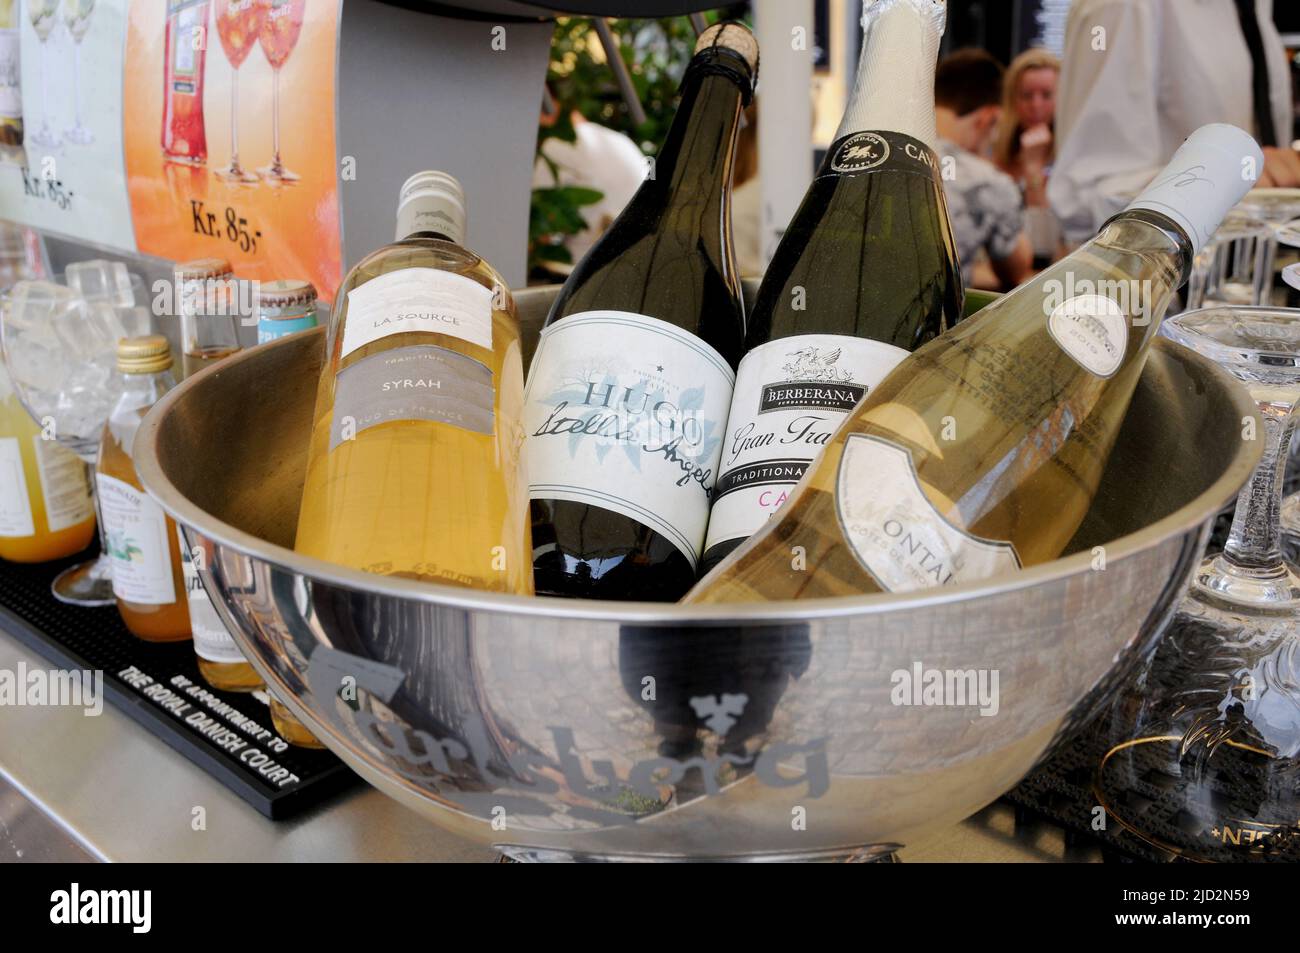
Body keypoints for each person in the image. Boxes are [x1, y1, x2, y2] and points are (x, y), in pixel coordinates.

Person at [1050, 0, 1300, 247]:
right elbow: (1085, 202)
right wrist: (1229, 179)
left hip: (1254, 267)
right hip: (1165, 277)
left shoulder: (1254, 9)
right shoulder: (1123, 6)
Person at [935, 49, 1034, 291]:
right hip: (935, 326)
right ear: (989, 118)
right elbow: (1016, 270)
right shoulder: (986, 181)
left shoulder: (873, 148)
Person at [533, 107, 648, 266]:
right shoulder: (620, 140)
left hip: (582, 271)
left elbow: (541, 233)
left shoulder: (555, 146)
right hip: (634, 262)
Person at [994, 49, 1063, 267]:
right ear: (1012, 100)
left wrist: (1033, 168)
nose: (1036, 105)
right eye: (1026, 95)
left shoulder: (1071, 157)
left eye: (1046, 95)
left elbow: (1042, 249)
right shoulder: (994, 148)